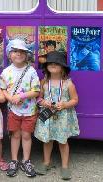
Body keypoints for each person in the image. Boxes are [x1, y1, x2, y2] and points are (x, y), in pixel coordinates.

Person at [34, 51, 80, 180]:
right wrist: (43, 102)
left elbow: (75, 100)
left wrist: (65, 104)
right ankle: (46, 162)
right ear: (46, 66)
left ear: (63, 67)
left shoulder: (68, 84)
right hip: (47, 116)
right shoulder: (43, 82)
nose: (53, 65)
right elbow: (38, 98)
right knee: (47, 140)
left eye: (57, 63)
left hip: (62, 117)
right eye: (51, 63)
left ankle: (65, 166)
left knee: (63, 141)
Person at [0, 39, 40, 177]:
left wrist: (21, 96)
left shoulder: (31, 71)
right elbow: (2, 88)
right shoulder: (6, 72)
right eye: (15, 51)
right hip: (13, 110)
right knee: (15, 135)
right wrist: (10, 98)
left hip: (29, 110)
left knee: (26, 135)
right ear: (9, 54)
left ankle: (26, 160)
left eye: (22, 51)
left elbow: (36, 91)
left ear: (26, 55)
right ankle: (14, 160)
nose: (19, 54)